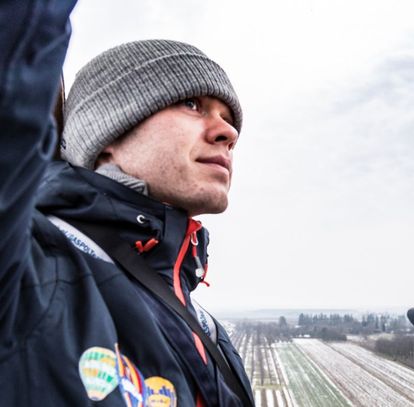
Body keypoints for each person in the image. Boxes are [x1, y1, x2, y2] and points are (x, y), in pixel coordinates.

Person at [0, 1, 253, 406]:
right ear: (106, 134)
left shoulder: (210, 333)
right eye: (192, 104)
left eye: (229, 118)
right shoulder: (30, 272)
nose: (228, 132)